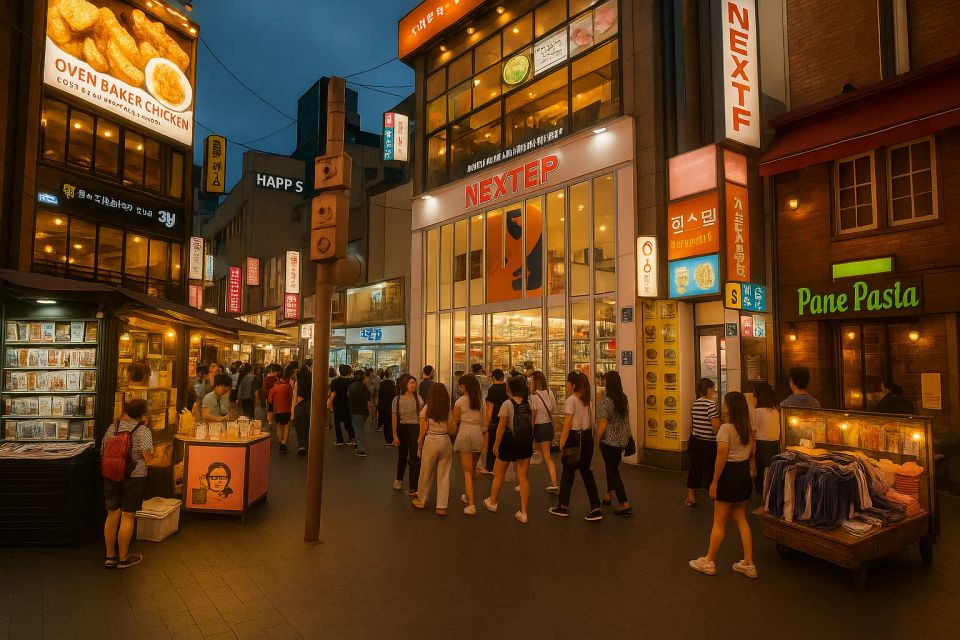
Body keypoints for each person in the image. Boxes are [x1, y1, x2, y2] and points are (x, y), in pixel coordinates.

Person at [689, 391, 758, 579]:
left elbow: (721, 455)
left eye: (725, 402)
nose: (722, 404)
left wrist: (714, 481)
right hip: (743, 476)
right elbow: (752, 453)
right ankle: (748, 563)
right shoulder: (747, 429)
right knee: (741, 518)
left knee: (719, 521)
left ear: (730, 406)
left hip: (728, 476)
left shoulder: (726, 429)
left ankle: (709, 560)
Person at [102, 399, 153, 569]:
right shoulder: (143, 430)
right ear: (142, 414)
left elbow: (103, 450)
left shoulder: (113, 428)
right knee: (128, 515)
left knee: (112, 515)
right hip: (134, 476)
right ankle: (123, 558)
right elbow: (148, 459)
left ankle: (110, 556)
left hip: (110, 474)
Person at [483, 375, 536, 524]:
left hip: (509, 443)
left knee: (498, 473)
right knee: (523, 477)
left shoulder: (507, 404)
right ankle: (524, 512)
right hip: (525, 443)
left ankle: (492, 502)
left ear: (511, 389)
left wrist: (495, 445)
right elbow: (531, 424)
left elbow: (501, 427)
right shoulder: (529, 403)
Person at [549, 372, 602, 521]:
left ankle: (563, 506)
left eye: (568, 383)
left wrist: (562, 441)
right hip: (587, 438)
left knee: (568, 471)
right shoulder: (587, 401)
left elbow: (568, 422)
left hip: (574, 438)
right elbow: (591, 422)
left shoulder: (571, 400)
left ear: (573, 385)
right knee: (586, 471)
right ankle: (595, 506)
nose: (566, 385)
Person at [413, 383, 454, 515]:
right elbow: (450, 428)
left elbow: (423, 428)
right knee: (444, 474)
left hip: (431, 440)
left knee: (426, 472)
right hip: (445, 440)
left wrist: (419, 442)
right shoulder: (447, 408)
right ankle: (441, 506)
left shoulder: (427, 408)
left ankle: (421, 500)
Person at [597, 371, 632, 516]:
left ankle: (624, 503)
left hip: (608, 441)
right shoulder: (623, 398)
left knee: (613, 472)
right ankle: (607, 495)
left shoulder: (607, 400)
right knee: (611, 468)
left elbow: (603, 424)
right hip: (620, 441)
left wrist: (597, 438)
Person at [450, 373, 485, 515]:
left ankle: (471, 504)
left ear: (465, 386)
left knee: (467, 471)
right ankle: (467, 494)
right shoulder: (480, 400)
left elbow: (455, 421)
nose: (459, 387)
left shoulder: (459, 402)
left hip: (464, 433)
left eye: (460, 384)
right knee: (472, 469)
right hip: (477, 434)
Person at [686, 378, 721, 507]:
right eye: (712, 389)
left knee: (694, 468)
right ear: (708, 390)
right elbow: (715, 427)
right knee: (712, 469)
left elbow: (693, 423)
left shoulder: (694, 404)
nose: (714, 391)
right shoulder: (711, 405)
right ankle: (716, 496)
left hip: (696, 441)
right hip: (709, 443)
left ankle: (691, 497)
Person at [529, 371, 559, 493]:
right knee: (548, 457)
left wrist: (531, 428)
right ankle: (554, 482)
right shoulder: (549, 392)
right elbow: (553, 409)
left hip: (539, 427)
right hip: (548, 426)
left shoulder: (534, 396)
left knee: (528, 456)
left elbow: (534, 415)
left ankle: (523, 482)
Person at [392, 374, 421, 495]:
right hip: (402, 428)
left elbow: (422, 417)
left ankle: (413, 486)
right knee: (402, 456)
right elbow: (394, 417)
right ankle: (399, 480)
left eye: (414, 383)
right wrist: (394, 435)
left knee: (414, 457)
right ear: (405, 385)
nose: (413, 385)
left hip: (415, 428)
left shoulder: (419, 399)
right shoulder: (397, 399)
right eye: (410, 383)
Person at [750, 382, 780, 495]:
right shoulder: (775, 411)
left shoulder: (757, 412)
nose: (753, 395)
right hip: (775, 445)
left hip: (761, 446)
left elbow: (753, 433)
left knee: (761, 476)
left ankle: (763, 505)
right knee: (770, 474)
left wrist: (751, 451)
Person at [483, 369, 509, 473]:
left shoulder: (492, 389)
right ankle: (503, 466)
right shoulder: (507, 388)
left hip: (496, 419)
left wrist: (486, 423)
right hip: (506, 418)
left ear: (493, 377)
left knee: (493, 443)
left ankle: (490, 466)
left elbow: (490, 408)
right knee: (504, 443)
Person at [328, 365, 356, 447]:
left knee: (337, 423)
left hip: (337, 405)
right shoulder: (351, 381)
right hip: (349, 404)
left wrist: (329, 404)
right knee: (349, 421)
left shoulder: (335, 381)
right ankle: (352, 438)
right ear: (348, 371)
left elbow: (331, 393)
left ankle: (339, 440)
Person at [347, 370, 372, 457]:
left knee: (358, 430)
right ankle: (360, 447)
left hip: (353, 411)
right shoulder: (364, 387)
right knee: (359, 429)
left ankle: (361, 449)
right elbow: (367, 400)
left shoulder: (351, 386)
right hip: (362, 411)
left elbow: (348, 398)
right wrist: (369, 411)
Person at [268, 369, 294, 453]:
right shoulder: (288, 386)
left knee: (278, 426)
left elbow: (270, 400)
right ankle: (284, 443)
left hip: (277, 410)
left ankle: (280, 442)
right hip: (287, 409)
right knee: (286, 425)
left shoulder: (274, 388)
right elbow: (291, 397)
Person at [293, 358, 313, 455]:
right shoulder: (310, 376)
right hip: (309, 403)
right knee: (309, 426)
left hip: (300, 404)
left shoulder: (299, 380)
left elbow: (295, 395)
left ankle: (302, 445)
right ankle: (307, 445)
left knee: (300, 426)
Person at [377, 371, 396, 445]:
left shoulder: (382, 384)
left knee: (385, 422)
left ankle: (387, 439)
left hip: (383, 405)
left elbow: (380, 395)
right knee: (390, 422)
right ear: (390, 375)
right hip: (391, 405)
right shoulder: (392, 384)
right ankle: (391, 438)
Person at [262, 364, 280, 434]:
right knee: (271, 409)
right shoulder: (274, 379)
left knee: (269, 408)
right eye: (276, 371)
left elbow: (264, 389)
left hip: (267, 396)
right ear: (273, 371)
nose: (276, 373)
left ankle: (269, 420)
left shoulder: (265, 378)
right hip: (273, 396)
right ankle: (270, 422)